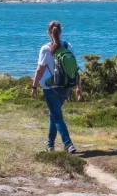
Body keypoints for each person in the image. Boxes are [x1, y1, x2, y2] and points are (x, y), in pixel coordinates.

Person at [30, 20, 82, 153]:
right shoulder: (68, 46)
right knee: (53, 115)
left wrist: (34, 87)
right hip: (66, 86)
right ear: (61, 31)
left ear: (48, 33)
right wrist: (78, 87)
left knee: (57, 117)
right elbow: (74, 68)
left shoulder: (46, 49)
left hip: (50, 88)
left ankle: (68, 144)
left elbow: (39, 70)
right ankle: (50, 145)